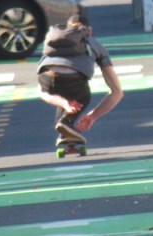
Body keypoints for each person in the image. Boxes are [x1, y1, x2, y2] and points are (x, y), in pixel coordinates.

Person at [37, 14, 123, 142]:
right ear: (89, 30)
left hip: (46, 76)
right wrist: (93, 116)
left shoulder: (56, 39)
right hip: (74, 78)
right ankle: (66, 123)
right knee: (82, 95)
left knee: (43, 91)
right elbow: (117, 92)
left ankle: (65, 116)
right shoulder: (94, 44)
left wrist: (63, 102)